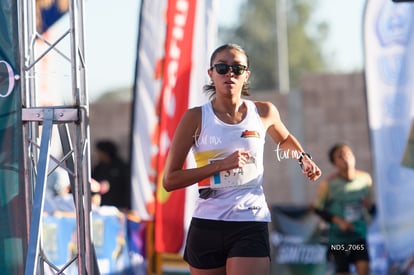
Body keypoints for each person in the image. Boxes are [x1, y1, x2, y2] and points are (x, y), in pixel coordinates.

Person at [162, 43, 322, 275]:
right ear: (211, 73)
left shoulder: (264, 112)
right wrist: (220, 166)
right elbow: (170, 180)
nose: (229, 74)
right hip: (207, 223)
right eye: (222, 67)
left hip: (250, 218)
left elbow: (284, 138)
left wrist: (303, 158)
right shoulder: (196, 117)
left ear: (246, 75)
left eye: (237, 68)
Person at [312, 142, 376, 275]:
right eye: (340, 156)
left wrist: (368, 206)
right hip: (338, 240)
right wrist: (339, 221)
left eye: (348, 154)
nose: (346, 158)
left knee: (364, 270)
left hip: (358, 236)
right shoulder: (328, 184)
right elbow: (318, 209)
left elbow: (373, 208)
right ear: (334, 163)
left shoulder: (365, 179)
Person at [92, 140, 130, 211]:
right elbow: (93, 183)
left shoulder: (121, 166)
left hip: (119, 206)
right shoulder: (99, 167)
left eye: (99, 152)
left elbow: (126, 186)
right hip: (102, 207)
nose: (98, 154)